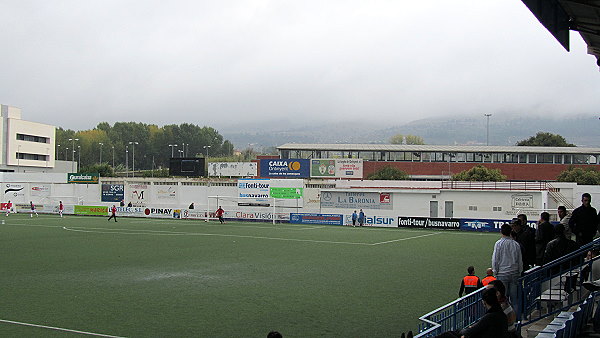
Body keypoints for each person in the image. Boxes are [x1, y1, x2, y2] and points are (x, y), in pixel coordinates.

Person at [435, 288, 508, 338]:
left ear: (484, 302)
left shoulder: (490, 317)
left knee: (448, 335)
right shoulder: (501, 315)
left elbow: (469, 332)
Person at [492, 223, 523, 308]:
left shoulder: (498, 244)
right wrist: (519, 271)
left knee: (502, 299)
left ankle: (504, 319)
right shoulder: (516, 244)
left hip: (502, 273)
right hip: (514, 273)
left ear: (501, 232)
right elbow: (519, 260)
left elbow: (495, 259)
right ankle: (516, 319)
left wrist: (495, 271)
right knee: (514, 299)